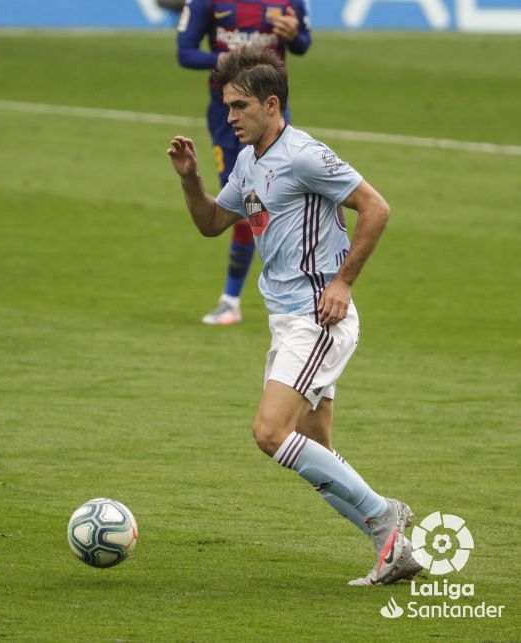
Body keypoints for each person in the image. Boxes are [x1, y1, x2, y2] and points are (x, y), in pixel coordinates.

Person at [167, 46, 422, 585]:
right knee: (316, 450)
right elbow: (213, 222)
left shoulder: (305, 155)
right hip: (286, 321)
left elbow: (376, 207)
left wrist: (344, 281)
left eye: (238, 106)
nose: (228, 116)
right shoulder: (247, 161)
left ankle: (385, 518)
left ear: (272, 103)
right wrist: (190, 178)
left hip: (318, 316)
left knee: (269, 432)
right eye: (226, 106)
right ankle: (396, 550)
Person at [176, 0, 311, 325]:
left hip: (271, 113)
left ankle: (260, 293)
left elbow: (303, 43)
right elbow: (185, 53)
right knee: (247, 204)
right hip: (228, 118)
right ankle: (234, 299)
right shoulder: (205, 3)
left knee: (280, 198)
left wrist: (294, 35)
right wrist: (224, 59)